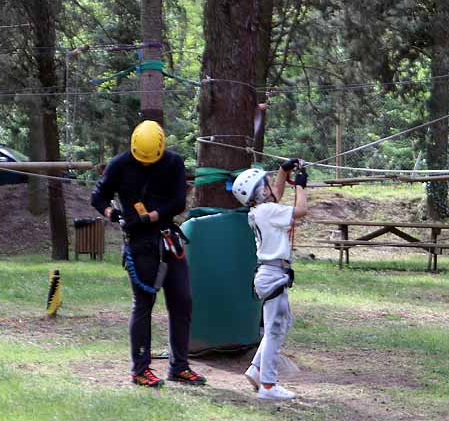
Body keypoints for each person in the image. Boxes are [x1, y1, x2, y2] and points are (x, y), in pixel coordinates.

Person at [91, 120, 206, 389]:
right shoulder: (120, 164)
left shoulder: (173, 163)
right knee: (144, 304)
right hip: (140, 243)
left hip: (167, 238)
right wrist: (113, 214)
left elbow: (178, 201)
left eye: (149, 160)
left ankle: (179, 366)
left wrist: (152, 216)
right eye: (140, 159)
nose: (144, 164)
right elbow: (99, 196)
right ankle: (140, 369)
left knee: (182, 300)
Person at [231, 158, 308, 401]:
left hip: (270, 273)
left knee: (280, 324)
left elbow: (276, 193)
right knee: (275, 329)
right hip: (273, 274)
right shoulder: (268, 211)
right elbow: (301, 211)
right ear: (258, 191)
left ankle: (256, 369)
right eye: (265, 184)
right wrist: (301, 186)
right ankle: (268, 385)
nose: (269, 187)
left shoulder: (260, 211)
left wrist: (284, 173)